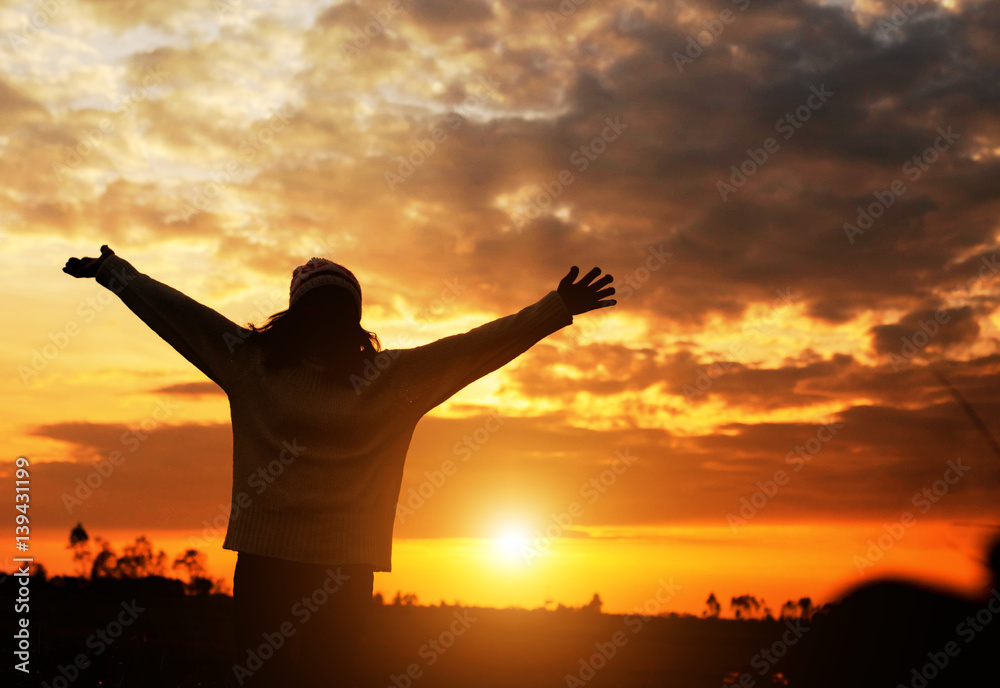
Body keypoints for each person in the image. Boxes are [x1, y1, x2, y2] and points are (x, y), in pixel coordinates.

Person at [63, 244, 616, 686]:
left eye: (334, 308)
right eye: (321, 307)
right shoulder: (336, 375)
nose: (327, 317)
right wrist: (556, 308)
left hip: (301, 567)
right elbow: (181, 316)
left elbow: (473, 348)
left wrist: (116, 273)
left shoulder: (284, 368)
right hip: (312, 568)